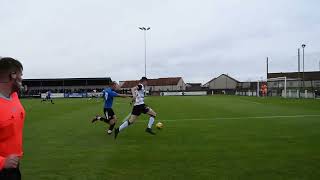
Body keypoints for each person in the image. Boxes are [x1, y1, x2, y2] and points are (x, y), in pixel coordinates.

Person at [0, 57, 25, 180]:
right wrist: (2, 162)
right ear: (13, 75)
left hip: (14, 166)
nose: (22, 79)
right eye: (20, 75)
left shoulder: (14, 95)